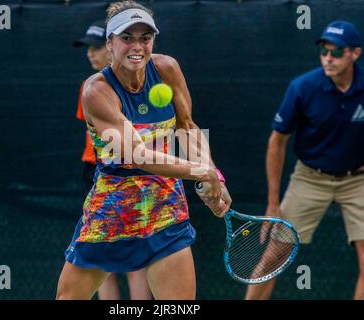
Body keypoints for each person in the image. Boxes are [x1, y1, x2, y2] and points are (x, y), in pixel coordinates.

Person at [57, 0, 232, 300]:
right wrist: (200, 171)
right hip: (112, 209)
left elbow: (187, 126)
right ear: (110, 43)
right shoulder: (96, 90)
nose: (136, 46)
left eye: (145, 38)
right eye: (127, 38)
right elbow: (139, 155)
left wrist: (214, 174)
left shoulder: (167, 68)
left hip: (166, 209)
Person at [245, 20, 364, 300]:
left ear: (355, 53)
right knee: (274, 256)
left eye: (337, 52)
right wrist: (273, 202)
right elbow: (277, 141)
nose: (328, 58)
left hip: (359, 179)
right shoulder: (302, 87)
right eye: (324, 51)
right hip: (310, 178)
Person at [73, 18, 152, 300]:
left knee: (133, 249)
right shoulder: (90, 87)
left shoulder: (137, 83)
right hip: (95, 173)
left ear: (110, 47)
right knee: (99, 249)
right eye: (87, 48)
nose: (89, 53)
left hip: (130, 173)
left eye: (95, 47)